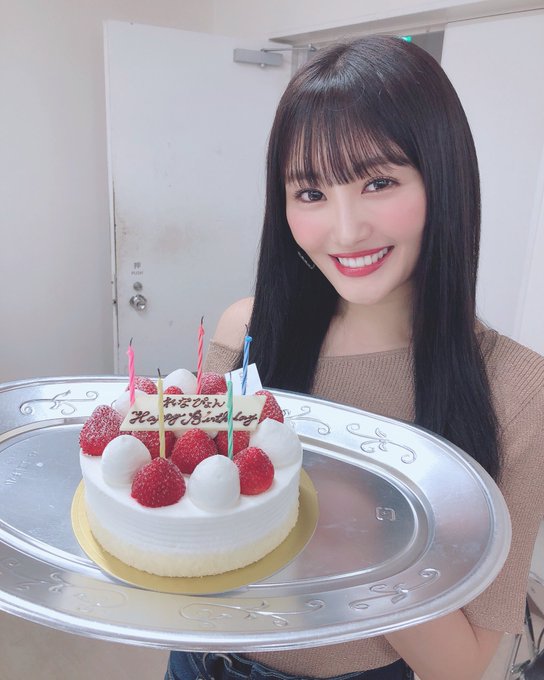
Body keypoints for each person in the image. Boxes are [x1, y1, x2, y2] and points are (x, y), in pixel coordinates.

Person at [165, 35, 544, 680]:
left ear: (444, 180)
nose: (345, 230)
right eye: (311, 193)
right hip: (200, 659)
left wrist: (358, 533)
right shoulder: (248, 330)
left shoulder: (517, 387)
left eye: (379, 182)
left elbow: (461, 666)